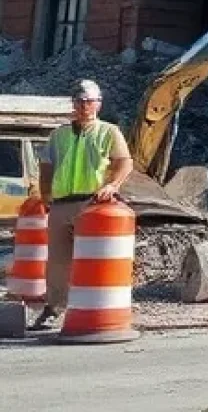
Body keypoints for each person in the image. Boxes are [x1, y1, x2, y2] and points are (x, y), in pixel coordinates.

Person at [34, 78, 134, 328]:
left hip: (92, 205)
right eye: (78, 101)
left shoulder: (108, 132)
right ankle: (54, 307)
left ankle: (98, 307)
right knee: (57, 260)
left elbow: (124, 162)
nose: (82, 106)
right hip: (62, 204)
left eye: (87, 101)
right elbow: (46, 167)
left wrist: (112, 186)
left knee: (96, 258)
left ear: (98, 104)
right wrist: (45, 197)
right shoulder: (59, 135)